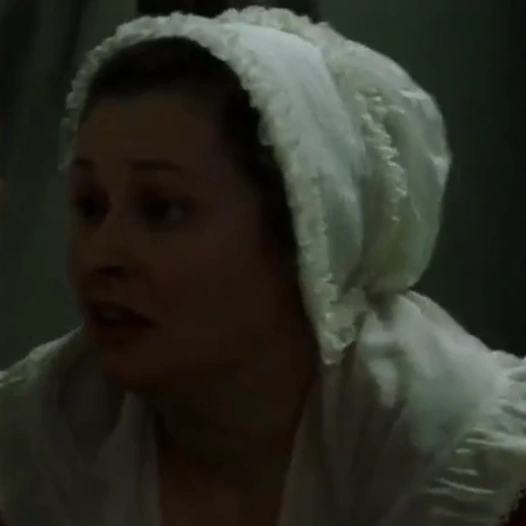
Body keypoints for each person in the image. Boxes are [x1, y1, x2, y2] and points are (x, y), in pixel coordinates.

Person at [0, 7, 525, 526]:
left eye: (163, 210)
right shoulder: (45, 430)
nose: (100, 256)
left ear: (302, 238)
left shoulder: (451, 450)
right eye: (90, 206)